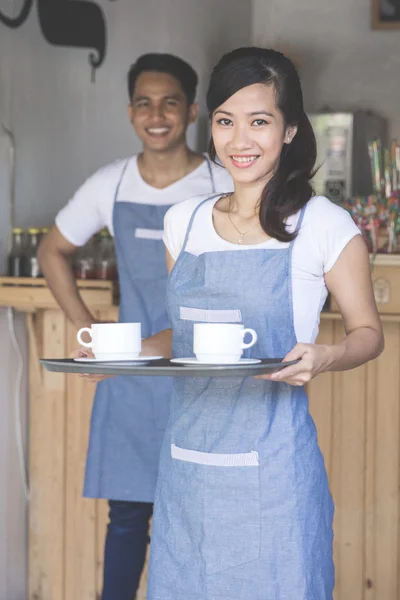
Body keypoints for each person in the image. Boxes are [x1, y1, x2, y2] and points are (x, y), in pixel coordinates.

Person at [133, 47, 383, 599]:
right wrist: (125, 356)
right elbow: (187, 338)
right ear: (210, 126)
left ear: (290, 129)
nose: (239, 140)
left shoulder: (323, 224)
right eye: (225, 121)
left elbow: (368, 334)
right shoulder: (184, 223)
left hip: (273, 479)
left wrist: (325, 356)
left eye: (259, 121)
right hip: (187, 472)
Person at [38, 53, 233, 600]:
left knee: (199, 518)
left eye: (170, 101)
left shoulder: (223, 180)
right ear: (130, 113)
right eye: (144, 103)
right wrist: (86, 328)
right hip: (129, 376)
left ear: (192, 111)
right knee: (126, 518)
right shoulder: (112, 182)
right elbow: (53, 251)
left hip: (202, 369)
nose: (157, 113)